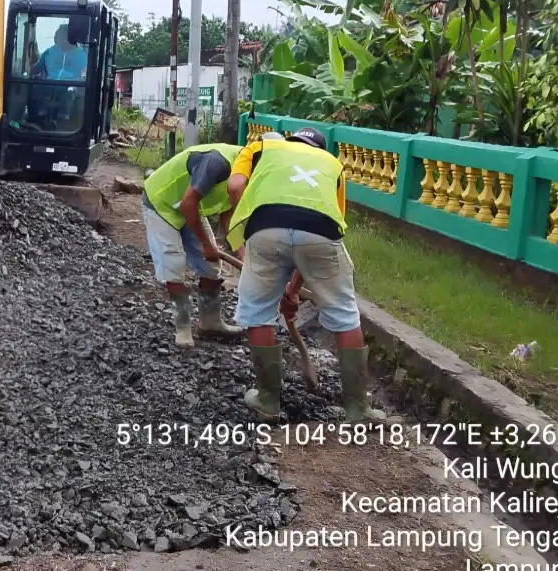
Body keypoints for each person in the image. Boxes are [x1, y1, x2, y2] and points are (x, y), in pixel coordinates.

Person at [225, 128, 385, 422]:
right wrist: (294, 288)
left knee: (259, 313)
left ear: (290, 141)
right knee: (346, 316)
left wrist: (249, 232)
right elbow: (320, 227)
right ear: (320, 149)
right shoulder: (332, 164)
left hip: (265, 225)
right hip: (321, 233)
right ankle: (358, 410)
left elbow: (235, 186)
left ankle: (267, 401)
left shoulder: (263, 147)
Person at [142, 143, 246, 347]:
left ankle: (210, 322)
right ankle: (182, 328)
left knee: (211, 267)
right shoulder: (217, 163)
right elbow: (187, 203)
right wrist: (207, 245)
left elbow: (228, 214)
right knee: (173, 264)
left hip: (190, 207)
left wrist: (242, 255)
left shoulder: (247, 174)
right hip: (162, 203)